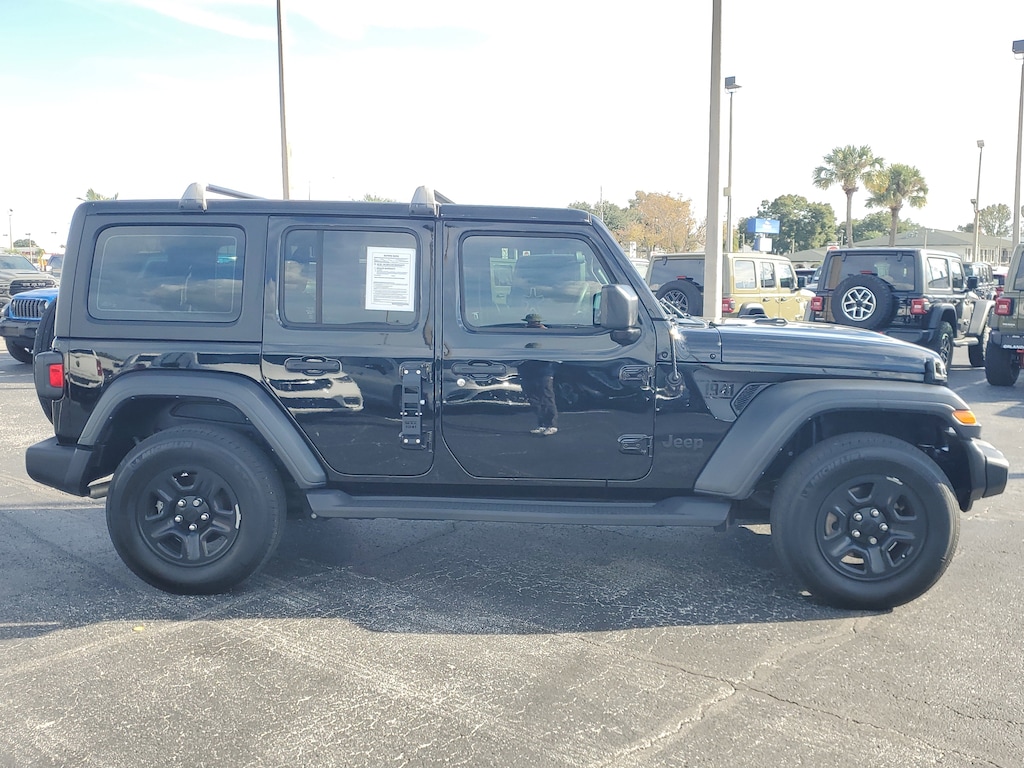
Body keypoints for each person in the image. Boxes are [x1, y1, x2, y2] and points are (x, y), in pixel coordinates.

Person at [519, 313, 558, 436]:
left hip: (544, 370)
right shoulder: (524, 333)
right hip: (529, 369)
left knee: (547, 396)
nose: (532, 325)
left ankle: (551, 424)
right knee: (533, 397)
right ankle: (542, 424)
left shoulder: (546, 334)